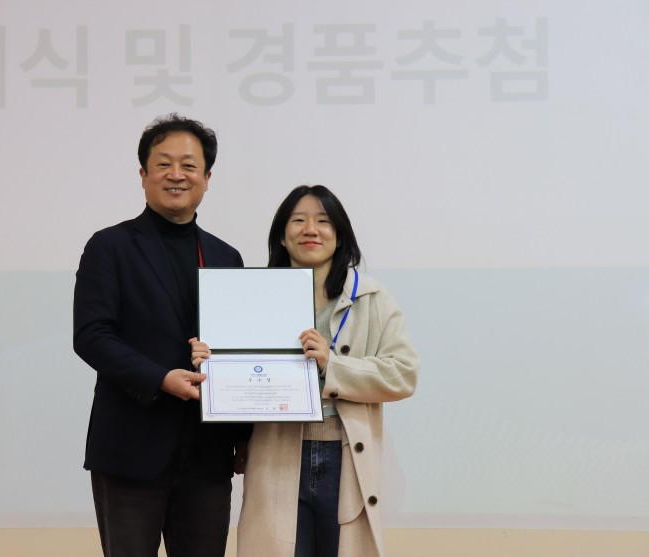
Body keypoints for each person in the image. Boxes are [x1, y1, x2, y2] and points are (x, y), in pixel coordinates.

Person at [192, 185, 419, 557]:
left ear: (339, 235)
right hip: (276, 451)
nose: (310, 229)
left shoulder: (371, 298)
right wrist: (210, 362)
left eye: (323, 221)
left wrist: (334, 364)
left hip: (343, 454)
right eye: (298, 220)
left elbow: (404, 374)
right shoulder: (252, 297)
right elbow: (239, 373)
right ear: (282, 236)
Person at [73, 113, 250, 557]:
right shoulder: (110, 246)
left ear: (207, 178)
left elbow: (240, 351)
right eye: (164, 164)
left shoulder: (226, 256)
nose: (177, 175)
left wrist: (244, 434)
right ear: (143, 174)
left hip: (208, 455)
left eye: (189, 165)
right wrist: (160, 379)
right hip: (132, 448)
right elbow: (92, 335)